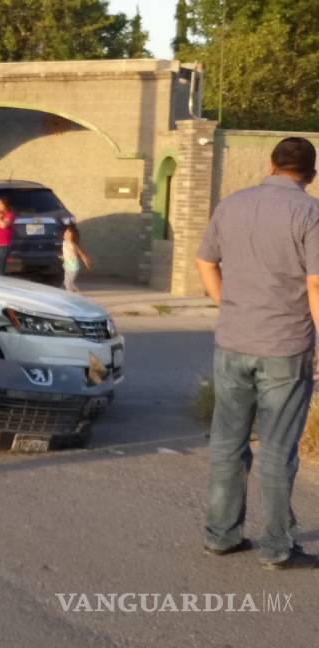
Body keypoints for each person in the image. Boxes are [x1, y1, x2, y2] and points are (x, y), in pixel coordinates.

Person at [196, 136, 319, 570]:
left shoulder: (231, 205)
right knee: (277, 448)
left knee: (227, 443)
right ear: (311, 173)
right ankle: (276, 546)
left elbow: (206, 262)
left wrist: (225, 303)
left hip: (233, 341)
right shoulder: (310, 212)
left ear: (270, 165)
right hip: (284, 347)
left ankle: (221, 536)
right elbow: (316, 284)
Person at [60, 224, 91, 291]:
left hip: (74, 266)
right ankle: (72, 286)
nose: (66, 234)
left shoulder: (73, 244)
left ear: (73, 235)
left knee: (68, 284)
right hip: (67, 265)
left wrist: (86, 261)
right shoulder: (64, 243)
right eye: (65, 232)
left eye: (69, 233)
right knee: (65, 282)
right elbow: (65, 253)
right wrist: (62, 256)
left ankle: (70, 293)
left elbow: (81, 254)